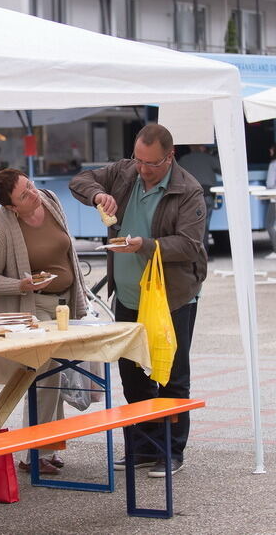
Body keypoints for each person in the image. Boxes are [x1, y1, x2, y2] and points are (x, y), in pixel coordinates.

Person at [69, 124, 207, 478]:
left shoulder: (188, 190)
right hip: (128, 294)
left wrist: (143, 245)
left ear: (169, 156)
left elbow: (189, 246)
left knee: (172, 375)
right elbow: (80, 180)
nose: (142, 169)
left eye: (151, 163)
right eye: (138, 159)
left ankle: (172, 450)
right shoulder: (125, 171)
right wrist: (99, 195)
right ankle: (144, 447)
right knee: (132, 375)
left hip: (171, 296)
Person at [0, 168, 89, 475]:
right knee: (45, 375)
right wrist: (21, 285)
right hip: (32, 307)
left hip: (65, 302)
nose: (33, 193)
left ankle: (50, 446)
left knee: (61, 373)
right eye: (24, 194)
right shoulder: (0, 228)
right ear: (11, 206)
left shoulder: (50, 201)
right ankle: (33, 452)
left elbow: (66, 254)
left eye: (30, 185)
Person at [177, 144, 220, 253]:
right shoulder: (208, 158)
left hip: (188, 197)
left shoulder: (183, 159)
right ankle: (203, 253)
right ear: (202, 148)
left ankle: (190, 251)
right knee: (204, 225)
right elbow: (222, 168)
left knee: (189, 225)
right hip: (206, 195)